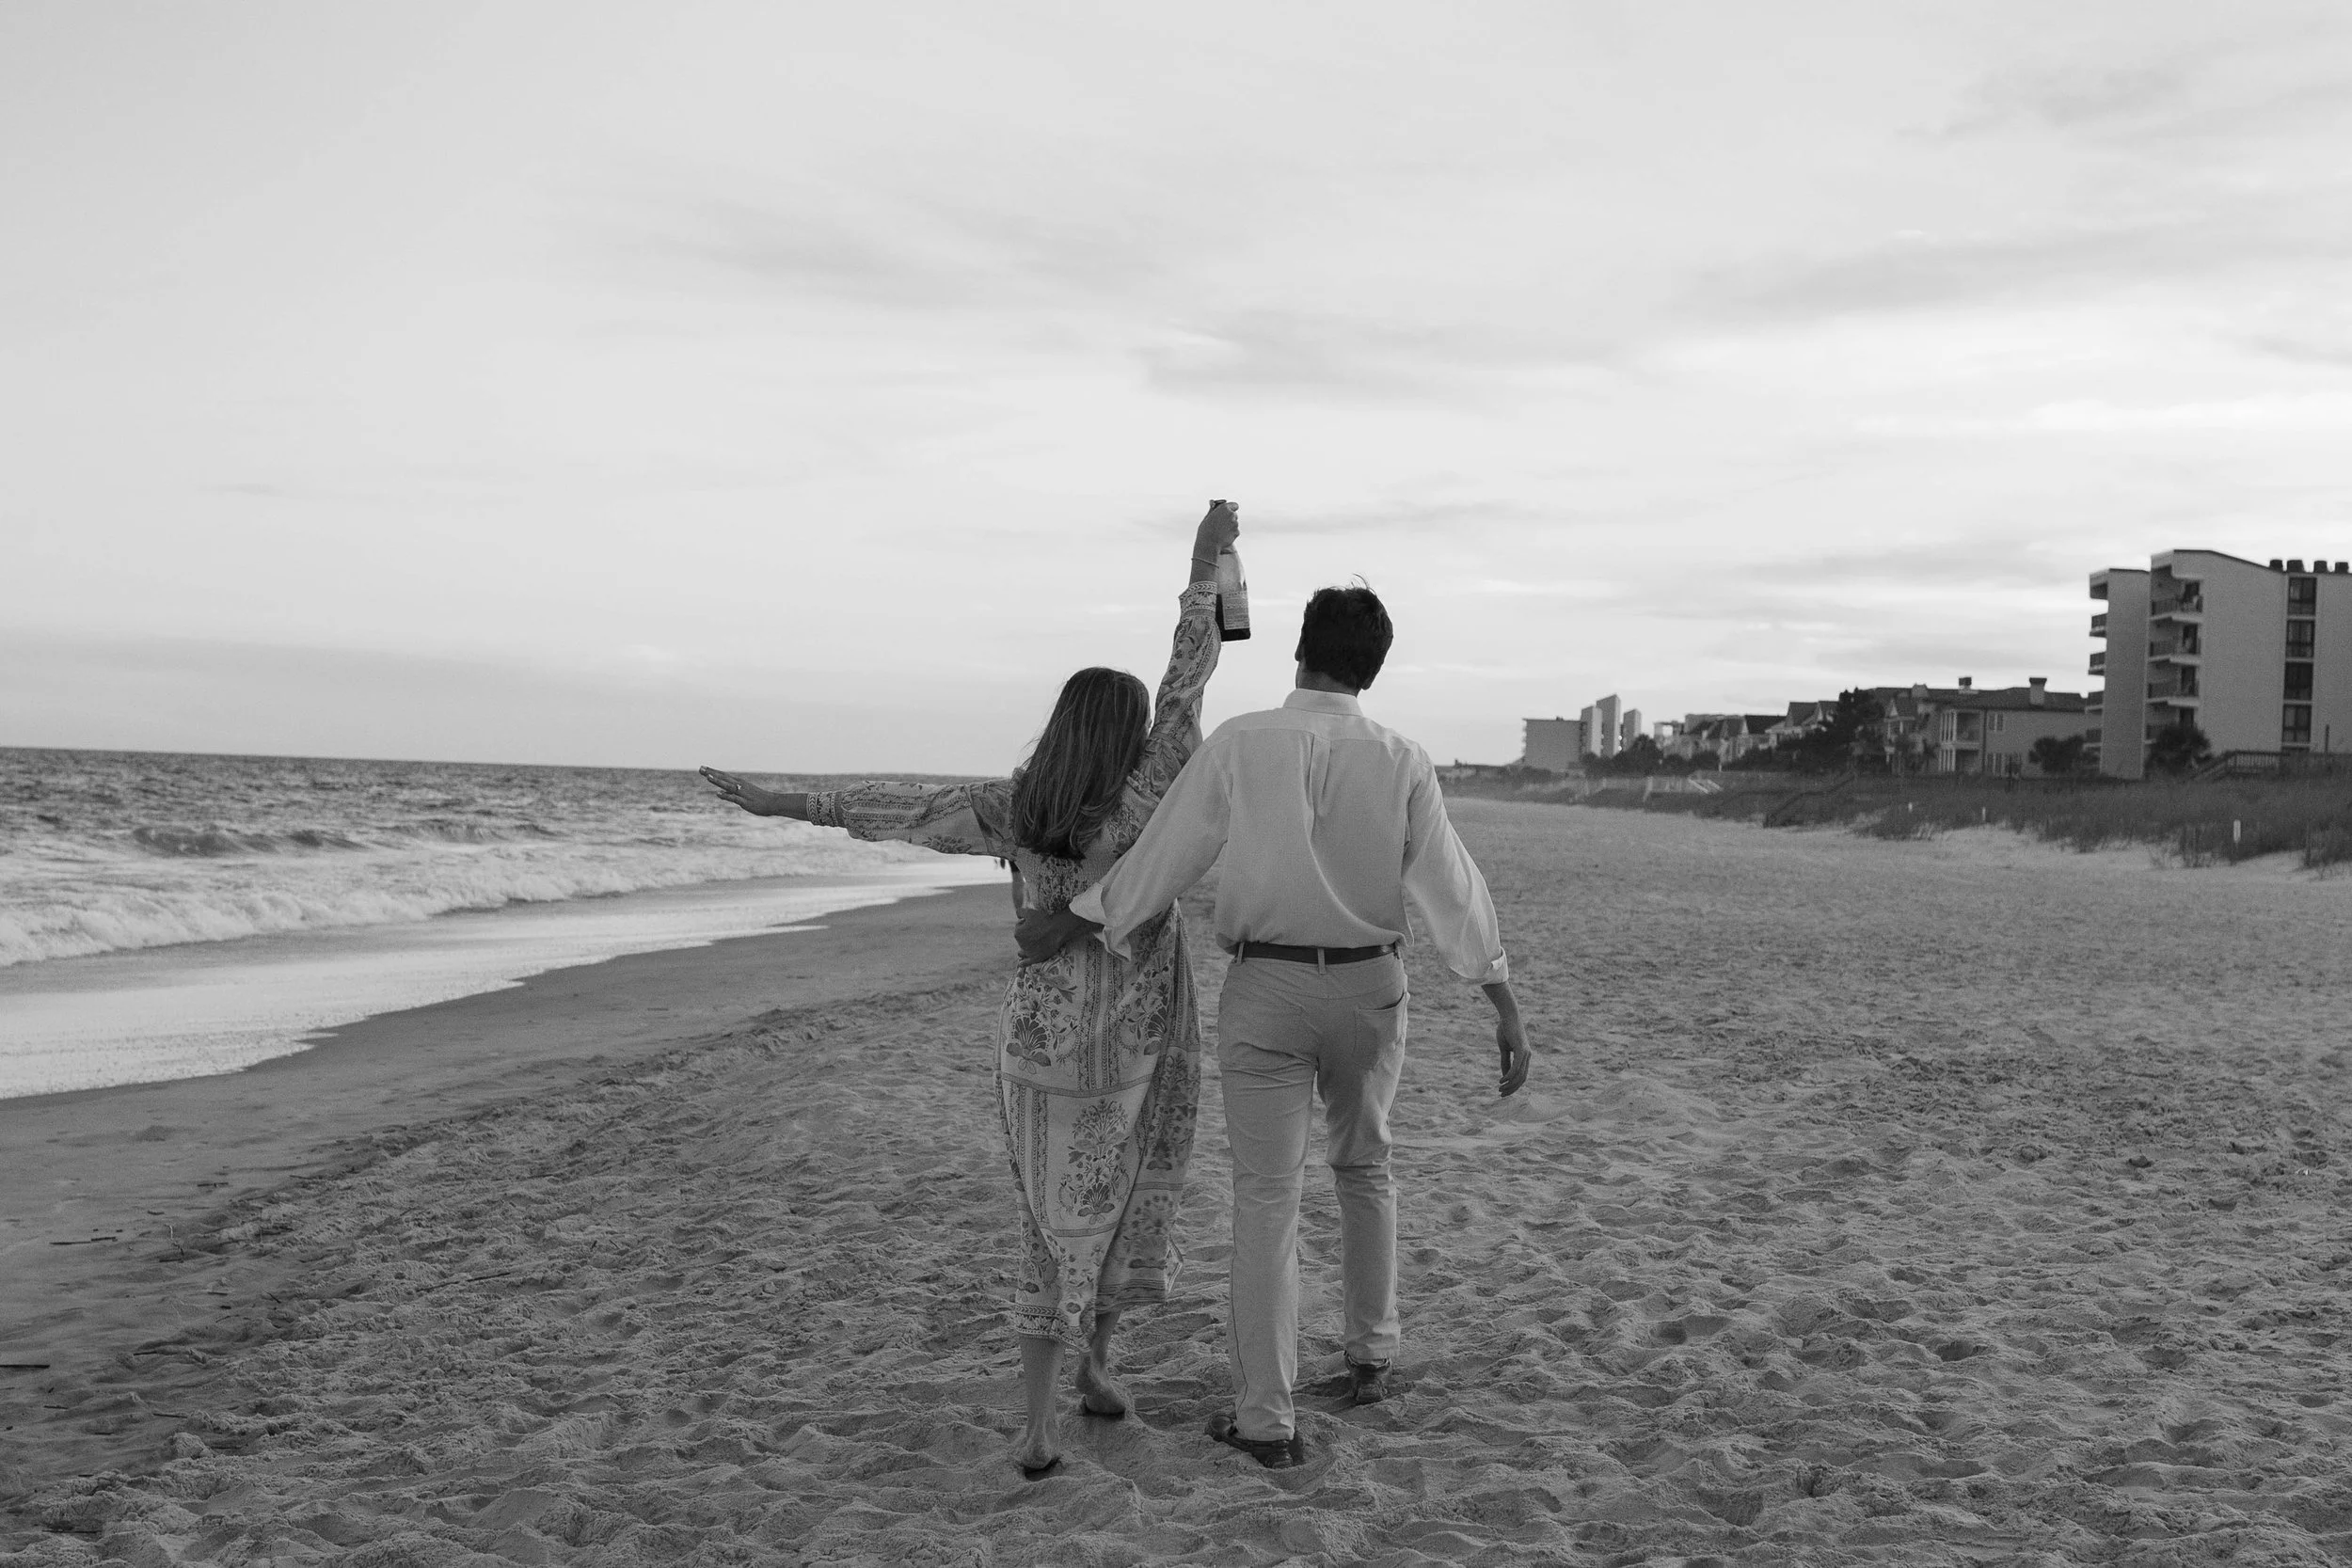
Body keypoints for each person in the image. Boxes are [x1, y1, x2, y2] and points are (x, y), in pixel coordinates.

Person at [699, 500, 1238, 1479]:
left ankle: (1047, 1414)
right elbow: (1188, 670)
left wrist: (785, 800)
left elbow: (894, 809)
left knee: (1049, 1218)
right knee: (1123, 1200)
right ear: (1126, 733)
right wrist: (1205, 564)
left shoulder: (1014, 803)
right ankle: (1094, 1369)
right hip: (1143, 1033)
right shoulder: (1154, 781)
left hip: (1039, 1042)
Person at [1016, 582, 1531, 1470]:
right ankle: (1372, 1355)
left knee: (1267, 1196)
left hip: (1268, 988)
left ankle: (1267, 1417)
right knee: (1367, 1166)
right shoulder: (1403, 756)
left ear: (1300, 647)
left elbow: (1166, 853)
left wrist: (1081, 917)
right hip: (1372, 986)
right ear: (1372, 667)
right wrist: (1500, 996)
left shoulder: (1244, 741)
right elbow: (1450, 884)